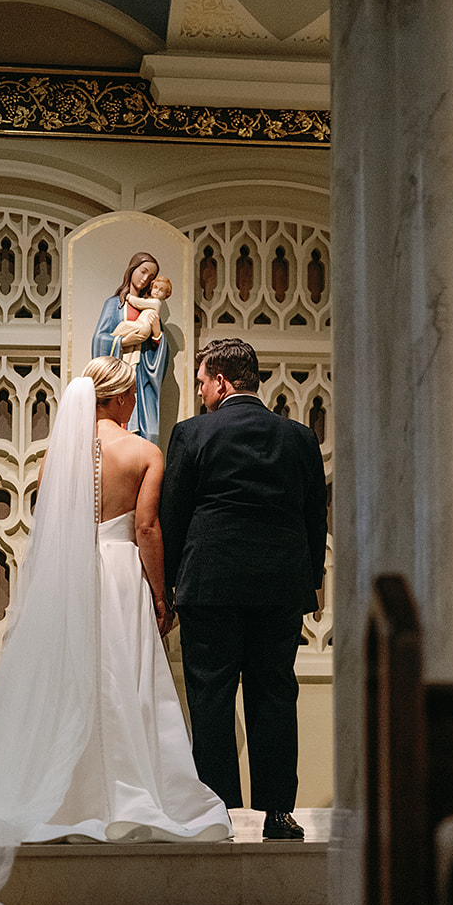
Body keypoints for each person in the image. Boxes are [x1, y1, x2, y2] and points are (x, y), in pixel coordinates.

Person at [0, 357, 231, 905]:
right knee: (122, 684)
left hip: (70, 579)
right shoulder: (144, 453)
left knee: (65, 687)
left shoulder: (57, 458)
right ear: (123, 398)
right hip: (122, 578)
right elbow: (148, 528)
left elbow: (48, 526)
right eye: (130, 395)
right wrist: (160, 594)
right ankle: (128, 793)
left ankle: (57, 791)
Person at [160, 338, 328, 840]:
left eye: (202, 383)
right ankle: (278, 813)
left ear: (221, 382)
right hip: (278, 587)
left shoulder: (192, 433)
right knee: (274, 694)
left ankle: (224, 814)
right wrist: (309, 583)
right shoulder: (298, 438)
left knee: (211, 698)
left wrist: (166, 587)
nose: (201, 393)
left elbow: (175, 514)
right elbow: (314, 515)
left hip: (210, 585)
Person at [92, 252, 170, 443]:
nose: (145, 279)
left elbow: (158, 353)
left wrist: (158, 334)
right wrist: (122, 342)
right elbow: (98, 340)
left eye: (150, 277)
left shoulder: (149, 308)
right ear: (132, 269)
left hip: (140, 378)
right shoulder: (114, 305)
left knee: (144, 432)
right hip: (119, 375)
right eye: (142, 272)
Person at [112, 274, 172, 348]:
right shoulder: (151, 301)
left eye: (161, 290)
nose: (157, 291)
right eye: (155, 287)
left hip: (143, 327)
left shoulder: (156, 302)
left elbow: (139, 303)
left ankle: (112, 339)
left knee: (124, 325)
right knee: (125, 327)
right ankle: (114, 341)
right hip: (141, 326)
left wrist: (129, 297)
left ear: (166, 295)